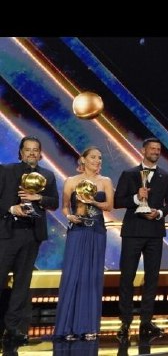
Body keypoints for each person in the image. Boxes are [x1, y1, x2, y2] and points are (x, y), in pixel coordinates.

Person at [114, 137, 168, 340]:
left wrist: (159, 213)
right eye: (152, 148)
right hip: (132, 231)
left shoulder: (166, 176)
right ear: (143, 150)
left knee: (152, 278)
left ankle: (146, 321)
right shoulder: (129, 174)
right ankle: (125, 321)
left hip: (154, 232)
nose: (156, 152)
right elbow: (117, 201)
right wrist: (136, 197)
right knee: (127, 277)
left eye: (158, 149)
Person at [0, 136, 59, 344]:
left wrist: (39, 198)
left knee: (22, 284)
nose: (32, 153)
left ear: (40, 154)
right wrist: (11, 208)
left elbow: (54, 203)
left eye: (36, 150)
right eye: (28, 149)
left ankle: (12, 328)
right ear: (21, 152)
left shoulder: (47, 175)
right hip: (7, 234)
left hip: (32, 235)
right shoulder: (5, 171)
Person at [54, 147, 115, 340]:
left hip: (97, 232)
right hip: (77, 232)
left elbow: (109, 206)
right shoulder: (71, 181)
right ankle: (67, 327)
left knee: (92, 277)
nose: (97, 161)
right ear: (83, 159)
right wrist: (69, 216)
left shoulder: (105, 181)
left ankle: (88, 327)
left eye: (100, 158)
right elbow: (65, 207)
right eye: (93, 157)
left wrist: (92, 202)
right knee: (73, 275)